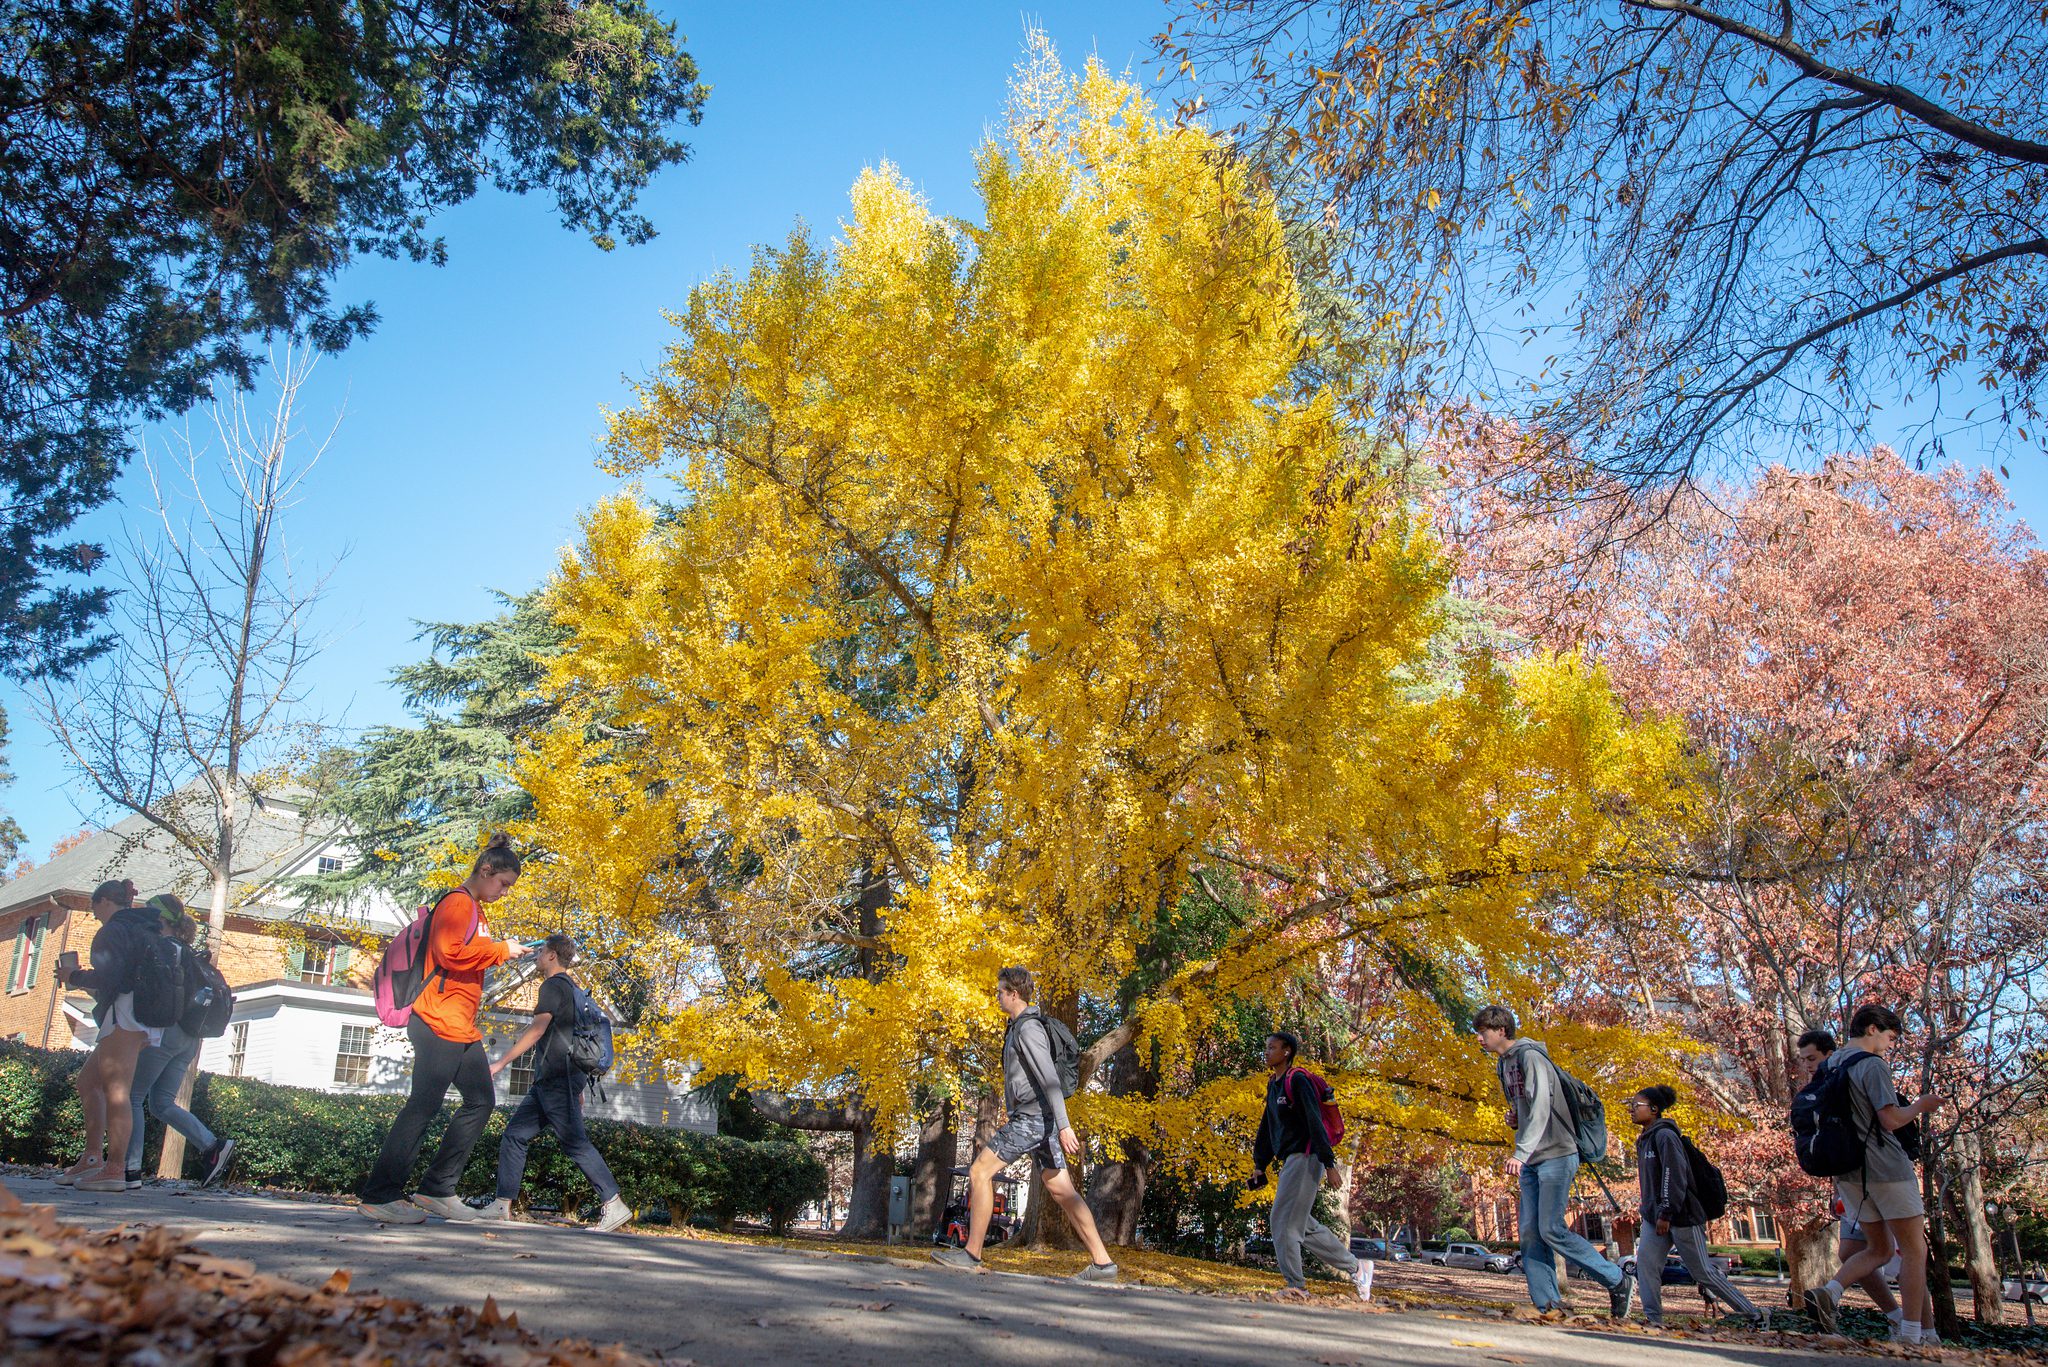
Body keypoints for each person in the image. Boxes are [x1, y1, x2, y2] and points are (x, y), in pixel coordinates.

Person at [356, 835, 534, 1224]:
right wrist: (503, 949)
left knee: (480, 1101)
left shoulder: (478, 911)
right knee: (423, 1105)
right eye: (503, 884)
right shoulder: (458, 902)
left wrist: (500, 950)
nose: (504, 892)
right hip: (436, 1020)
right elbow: (448, 952)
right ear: (485, 871)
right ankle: (380, 1195)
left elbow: (466, 957)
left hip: (459, 1025)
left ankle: (436, 1189)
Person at [931, 966, 1119, 1282]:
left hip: (1033, 1118)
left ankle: (971, 1253)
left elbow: (1049, 1080)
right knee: (1062, 1190)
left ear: (1014, 994)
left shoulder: (1029, 1029)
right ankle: (1103, 1264)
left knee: (979, 1171)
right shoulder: (1018, 1027)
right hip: (1038, 1118)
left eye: (1000, 992)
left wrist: (1064, 1125)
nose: (997, 996)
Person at [1473, 1004, 1632, 1319]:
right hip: (1532, 1157)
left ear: (1501, 1030)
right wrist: (1515, 1117)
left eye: (1483, 1032)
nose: (1479, 1039)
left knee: (1552, 1228)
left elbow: (1544, 1107)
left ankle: (1617, 1280)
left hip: (1557, 1154)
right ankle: (1547, 1304)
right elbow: (1528, 1107)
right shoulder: (1503, 1065)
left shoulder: (1531, 1056)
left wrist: (1520, 1152)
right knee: (1530, 1230)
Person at [1801, 1006, 1945, 1346]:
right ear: (1871, 1029)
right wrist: (1922, 1105)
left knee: (1877, 1248)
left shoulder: (1831, 1065)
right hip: (1886, 1167)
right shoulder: (1872, 1064)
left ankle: (1831, 1291)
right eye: (1889, 1038)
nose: (1889, 1046)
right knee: (1913, 1250)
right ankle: (1912, 1332)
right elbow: (1891, 1119)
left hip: (1849, 1174)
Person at [477, 933, 631, 1233]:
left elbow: (538, 1030)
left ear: (551, 956)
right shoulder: (573, 989)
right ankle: (501, 1204)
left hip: (557, 1081)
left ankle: (613, 1203)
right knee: (515, 1135)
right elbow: (574, 1039)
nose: (536, 957)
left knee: (575, 1142)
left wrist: (501, 1062)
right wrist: (579, 1086)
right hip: (555, 1080)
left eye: (541, 952)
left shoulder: (552, 986)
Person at [1624, 1084, 1765, 1327]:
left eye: (1637, 1106)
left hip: (1682, 1215)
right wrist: (1652, 1212)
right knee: (1646, 1266)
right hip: (1654, 1216)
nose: (1632, 1110)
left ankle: (1755, 1314)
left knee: (1702, 1272)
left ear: (1655, 1109)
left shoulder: (1665, 1136)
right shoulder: (1643, 1140)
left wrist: (1666, 1211)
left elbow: (1674, 1174)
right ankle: (1654, 1320)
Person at [1795, 1029, 1906, 1334]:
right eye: (1803, 1060)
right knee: (1852, 1253)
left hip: (1885, 1175)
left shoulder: (1856, 1076)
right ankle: (1898, 1319)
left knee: (1905, 1254)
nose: (1808, 1065)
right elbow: (1833, 1143)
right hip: (1852, 1181)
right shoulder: (1818, 1092)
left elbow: (1889, 1120)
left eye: (1813, 1058)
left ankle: (1919, 1330)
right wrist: (1836, 1189)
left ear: (1830, 1054)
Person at [54, 880, 162, 1192]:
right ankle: (91, 1159)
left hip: (126, 1013)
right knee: (88, 1082)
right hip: (143, 1014)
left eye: (93, 908)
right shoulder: (145, 927)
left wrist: (73, 975)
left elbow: (110, 978)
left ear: (104, 902)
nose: (94, 914)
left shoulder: (114, 930)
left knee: (117, 1091)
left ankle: (114, 1167)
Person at [1251, 1030, 1374, 1303]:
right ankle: (1358, 1267)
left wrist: (1329, 1163)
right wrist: (1260, 1164)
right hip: (1291, 1160)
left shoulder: (1299, 1081)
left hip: (1306, 1157)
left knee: (1281, 1221)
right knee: (1303, 1226)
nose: (1267, 1051)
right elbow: (1267, 1126)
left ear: (1286, 1052)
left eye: (1272, 1047)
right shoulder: (1274, 1085)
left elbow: (1314, 1121)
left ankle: (1297, 1286)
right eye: (1266, 1047)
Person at [123, 899, 236, 1188]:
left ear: (160, 918)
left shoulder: (164, 949)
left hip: (167, 1031)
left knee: (133, 1096)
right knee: (161, 1103)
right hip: (190, 1038)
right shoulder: (189, 953)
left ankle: (129, 1168)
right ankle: (212, 1146)